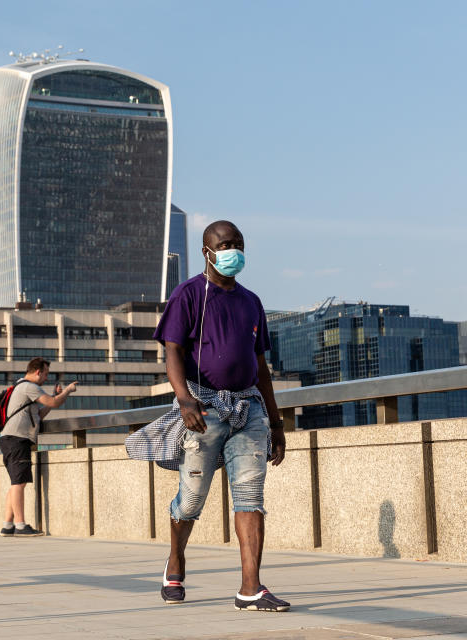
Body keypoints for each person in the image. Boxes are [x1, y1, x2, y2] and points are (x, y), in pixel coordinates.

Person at [126, 220, 290, 612]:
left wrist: (277, 422)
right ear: (207, 251)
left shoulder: (251, 301)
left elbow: (261, 365)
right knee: (191, 500)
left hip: (248, 408)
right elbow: (172, 351)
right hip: (202, 407)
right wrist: (184, 400)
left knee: (251, 495)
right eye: (225, 244)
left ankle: (250, 587)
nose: (233, 249)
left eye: (238, 243)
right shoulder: (188, 294)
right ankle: (175, 560)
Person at [0, 357, 77, 537]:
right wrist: (68, 391)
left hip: (10, 438)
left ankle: (8, 525)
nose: (47, 378)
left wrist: (56, 395)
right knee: (19, 482)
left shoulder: (21, 386)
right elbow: (53, 402)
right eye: (46, 374)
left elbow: (40, 414)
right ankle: (20, 525)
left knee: (16, 482)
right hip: (17, 439)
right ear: (37, 371)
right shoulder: (29, 386)